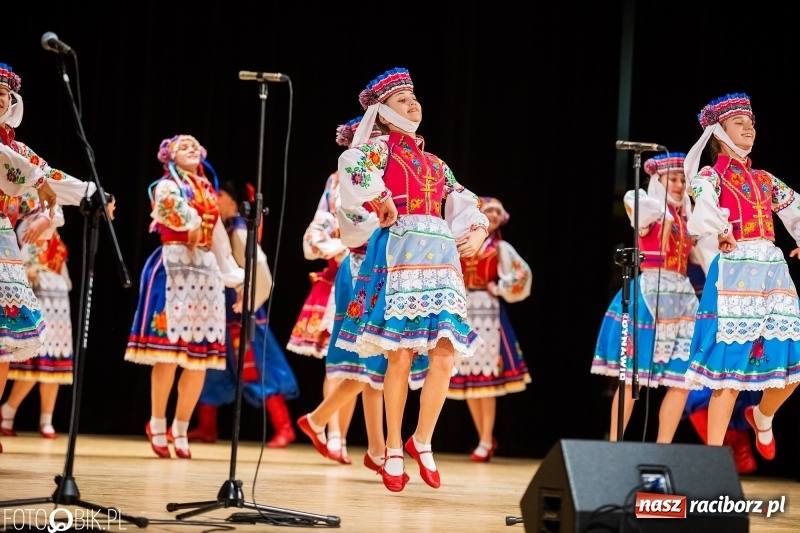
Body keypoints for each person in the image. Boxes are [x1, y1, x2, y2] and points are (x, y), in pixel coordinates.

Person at [335, 67, 488, 492]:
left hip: (440, 258)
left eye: (414, 96)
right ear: (382, 114)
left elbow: (463, 197)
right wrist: (379, 197)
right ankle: (393, 449)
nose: (413, 103)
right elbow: (351, 163)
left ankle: (422, 439)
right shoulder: (380, 150)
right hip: (401, 254)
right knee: (399, 354)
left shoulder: (435, 162)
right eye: (402, 99)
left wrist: (477, 228)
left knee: (444, 352)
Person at [297, 116, 428, 472]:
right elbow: (350, 224)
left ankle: (358, 440)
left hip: (393, 268)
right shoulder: (347, 176)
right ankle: (372, 445)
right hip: (363, 270)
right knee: (374, 359)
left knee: (380, 361)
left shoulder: (402, 170)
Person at [684, 92, 800, 460]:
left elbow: (795, 206)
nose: (749, 127)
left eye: (751, 123)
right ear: (719, 131)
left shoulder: (765, 179)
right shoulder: (710, 176)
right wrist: (719, 228)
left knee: (791, 368)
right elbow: (701, 203)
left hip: (773, 271)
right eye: (740, 123)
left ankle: (761, 416)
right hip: (735, 271)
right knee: (728, 375)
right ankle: (712, 462)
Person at [0, 62, 102, 453]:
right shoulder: (11, 153)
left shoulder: (17, 147)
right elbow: (23, 172)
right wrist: (39, 180)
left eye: (4, 95)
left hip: (3, 240)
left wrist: (92, 193)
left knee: (5, 340)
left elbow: (50, 175)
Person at [125, 134, 244, 459]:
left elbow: (218, 238)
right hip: (174, 265)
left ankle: (181, 427)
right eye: (184, 147)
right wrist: (192, 223)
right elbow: (171, 211)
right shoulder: (166, 185)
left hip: (204, 272)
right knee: (167, 353)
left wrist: (236, 279)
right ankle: (158, 422)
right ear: (169, 156)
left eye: (195, 146)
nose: (192, 149)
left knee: (198, 359)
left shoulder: (207, 189)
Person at [592, 152, 701, 443]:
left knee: (681, 381)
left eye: (682, 179)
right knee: (632, 379)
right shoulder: (649, 211)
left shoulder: (686, 220)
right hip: (651, 293)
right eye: (672, 179)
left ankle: (661, 449)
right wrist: (666, 207)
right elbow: (634, 202)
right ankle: (613, 446)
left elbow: (705, 257)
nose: (679, 184)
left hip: (682, 298)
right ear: (658, 180)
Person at [186, 179, 299, 448]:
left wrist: (248, 300)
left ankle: (285, 428)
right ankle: (207, 426)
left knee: (259, 365)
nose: (215, 198)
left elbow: (259, 267)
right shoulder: (223, 226)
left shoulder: (237, 228)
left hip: (240, 308)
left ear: (234, 202)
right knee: (213, 363)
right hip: (221, 306)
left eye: (220, 194)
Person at [285, 122, 360, 462]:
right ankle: (334, 435)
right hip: (342, 280)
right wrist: (338, 246)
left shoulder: (389, 173)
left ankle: (355, 441)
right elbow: (317, 229)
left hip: (379, 277)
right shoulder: (336, 179)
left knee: (364, 366)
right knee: (341, 364)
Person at [446, 196, 532, 462]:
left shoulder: (500, 248)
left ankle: (485, 439)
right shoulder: (462, 242)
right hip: (463, 307)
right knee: (471, 377)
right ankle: (484, 437)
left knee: (486, 378)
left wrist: (501, 287)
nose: (493, 215)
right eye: (488, 211)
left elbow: (522, 274)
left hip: (486, 309)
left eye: (497, 212)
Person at [1, 198, 73, 440]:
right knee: (37, 361)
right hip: (37, 293)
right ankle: (8, 412)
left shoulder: (54, 236)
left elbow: (58, 217)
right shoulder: (24, 228)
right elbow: (22, 262)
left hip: (58, 299)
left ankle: (46, 419)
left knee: (54, 363)